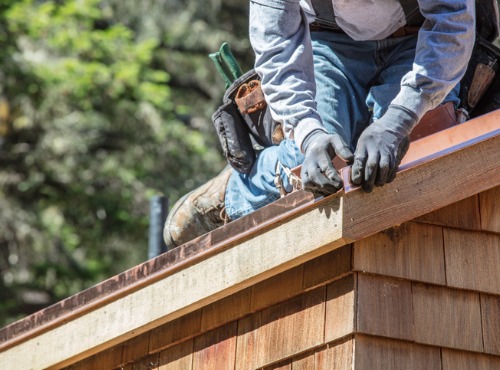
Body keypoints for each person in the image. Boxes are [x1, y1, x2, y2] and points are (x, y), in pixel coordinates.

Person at [164, 0, 476, 249]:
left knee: (423, 147)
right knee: (319, 163)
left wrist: (398, 120)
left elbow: (452, 24)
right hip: (328, 43)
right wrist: (309, 133)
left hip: (419, 39)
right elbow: (277, 49)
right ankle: (236, 191)